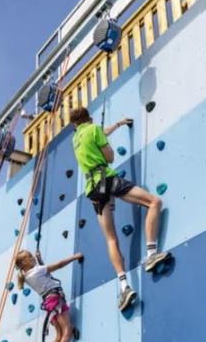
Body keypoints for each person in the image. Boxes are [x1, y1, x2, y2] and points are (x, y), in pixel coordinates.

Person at [69, 106, 170, 312]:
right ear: (89, 118)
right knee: (154, 203)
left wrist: (117, 124)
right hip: (107, 178)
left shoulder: (76, 139)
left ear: (74, 125)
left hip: (93, 190)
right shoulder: (93, 129)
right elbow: (109, 157)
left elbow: (96, 135)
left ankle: (124, 287)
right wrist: (106, 144)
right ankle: (151, 254)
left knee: (111, 239)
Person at [15, 249, 82, 342]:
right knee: (67, 331)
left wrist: (39, 260)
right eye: (30, 256)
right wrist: (75, 257)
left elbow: (45, 275)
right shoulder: (37, 271)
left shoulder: (27, 277)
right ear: (25, 262)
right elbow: (58, 265)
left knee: (59, 335)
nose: (32, 257)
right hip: (56, 299)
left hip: (49, 304)